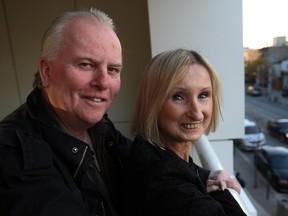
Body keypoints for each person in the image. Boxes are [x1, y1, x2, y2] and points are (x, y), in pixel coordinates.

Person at [0, 8, 240, 216]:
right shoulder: (14, 156)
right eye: (86, 65)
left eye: (113, 69)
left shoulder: (97, 125)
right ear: (46, 71)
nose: (103, 82)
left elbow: (140, 159)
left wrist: (201, 175)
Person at [124, 48, 247, 215]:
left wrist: (206, 176)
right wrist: (222, 190)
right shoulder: (162, 178)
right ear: (153, 103)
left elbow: (184, 171)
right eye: (178, 97)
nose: (196, 113)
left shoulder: (154, 151)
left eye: (203, 95)